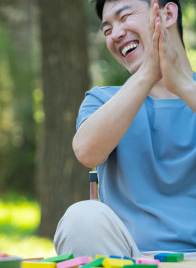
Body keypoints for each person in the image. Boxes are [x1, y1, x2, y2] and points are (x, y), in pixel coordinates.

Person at [54, 0, 196, 258]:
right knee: (82, 217)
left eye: (125, 16)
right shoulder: (102, 101)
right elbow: (87, 153)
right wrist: (148, 74)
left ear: (167, 13)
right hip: (129, 258)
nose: (115, 34)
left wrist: (184, 87)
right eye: (107, 30)